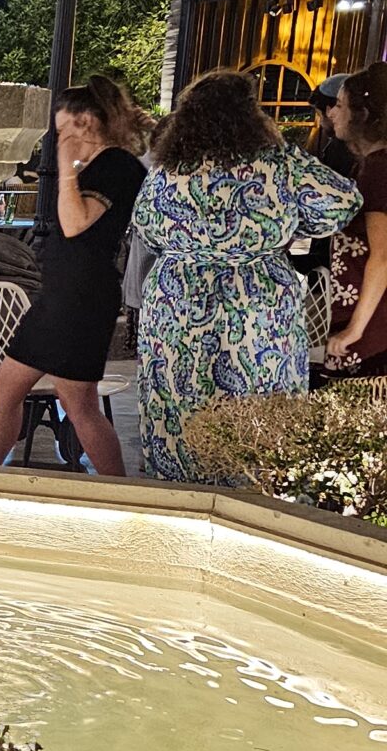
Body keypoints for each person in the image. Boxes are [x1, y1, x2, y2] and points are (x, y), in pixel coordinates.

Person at [132, 70, 358, 481]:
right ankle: (252, 499)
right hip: (257, 300)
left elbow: (146, 228)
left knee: (175, 399)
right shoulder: (281, 162)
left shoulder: (169, 170)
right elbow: (343, 202)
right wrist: (290, 228)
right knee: (258, 398)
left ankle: (178, 492)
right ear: (251, 115)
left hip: (177, 300)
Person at [0, 75, 148, 477]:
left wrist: (66, 169)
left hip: (82, 300)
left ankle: (117, 489)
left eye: (64, 130)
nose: (59, 139)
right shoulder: (100, 166)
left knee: (79, 403)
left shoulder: (117, 166)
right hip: (62, 296)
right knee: (9, 385)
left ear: (86, 122)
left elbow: (75, 224)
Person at [323, 61, 387, 376]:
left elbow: (383, 255)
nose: (331, 113)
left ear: (362, 115)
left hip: (372, 329)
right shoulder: (370, 165)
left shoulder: (378, 169)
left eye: (339, 105)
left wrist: (355, 329)